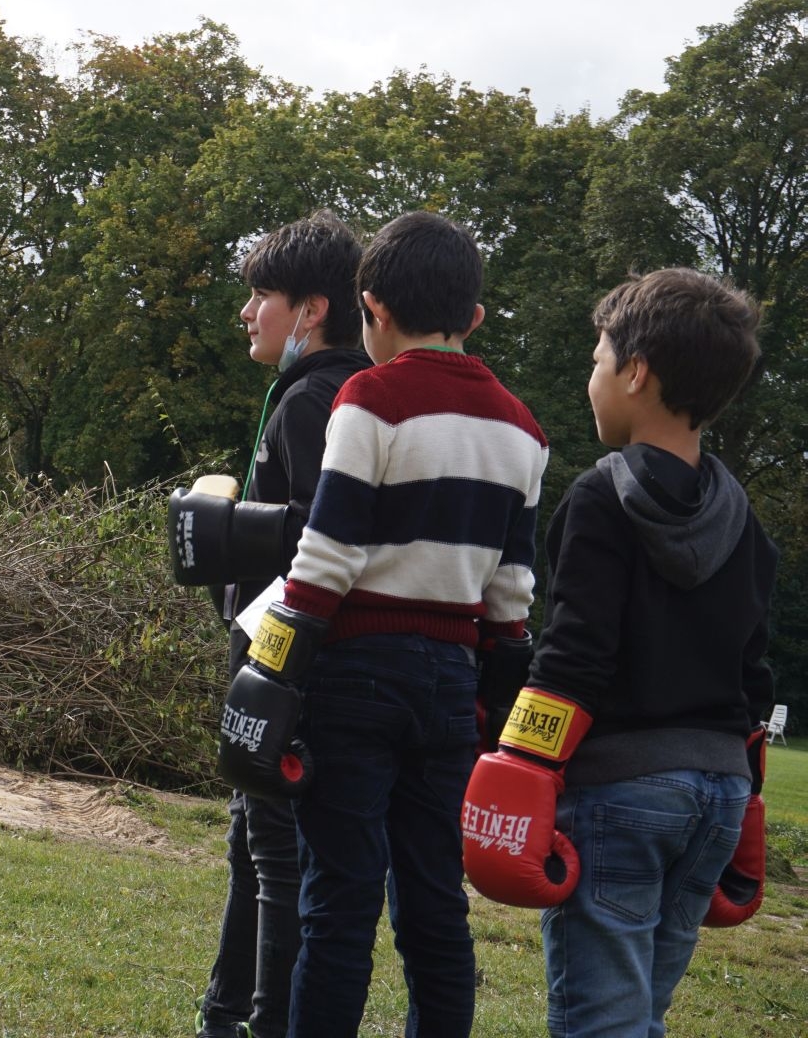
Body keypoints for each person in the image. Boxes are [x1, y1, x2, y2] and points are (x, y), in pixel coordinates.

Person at [214, 210, 549, 1036]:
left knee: (339, 901)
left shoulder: (368, 398)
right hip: (451, 684)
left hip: (357, 674)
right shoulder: (522, 429)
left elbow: (326, 561)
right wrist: (494, 704)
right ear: (474, 316)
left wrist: (270, 670)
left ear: (372, 307)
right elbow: (512, 595)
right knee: (435, 904)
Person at [463, 268, 775, 1038]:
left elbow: (574, 659)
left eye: (598, 359)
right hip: (718, 796)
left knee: (601, 1023)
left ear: (637, 373)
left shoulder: (600, 500)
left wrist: (519, 767)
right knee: (639, 1015)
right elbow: (754, 677)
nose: (591, 377)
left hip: (623, 793)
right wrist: (747, 800)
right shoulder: (746, 523)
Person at [171, 212, 368, 1038]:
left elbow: (330, 531)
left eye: (262, 296)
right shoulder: (325, 390)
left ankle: (262, 1022)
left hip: (290, 658)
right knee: (252, 841)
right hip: (283, 649)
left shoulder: (316, 397)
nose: (247, 312)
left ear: (311, 310)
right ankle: (225, 1015)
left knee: (276, 853)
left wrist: (229, 531)